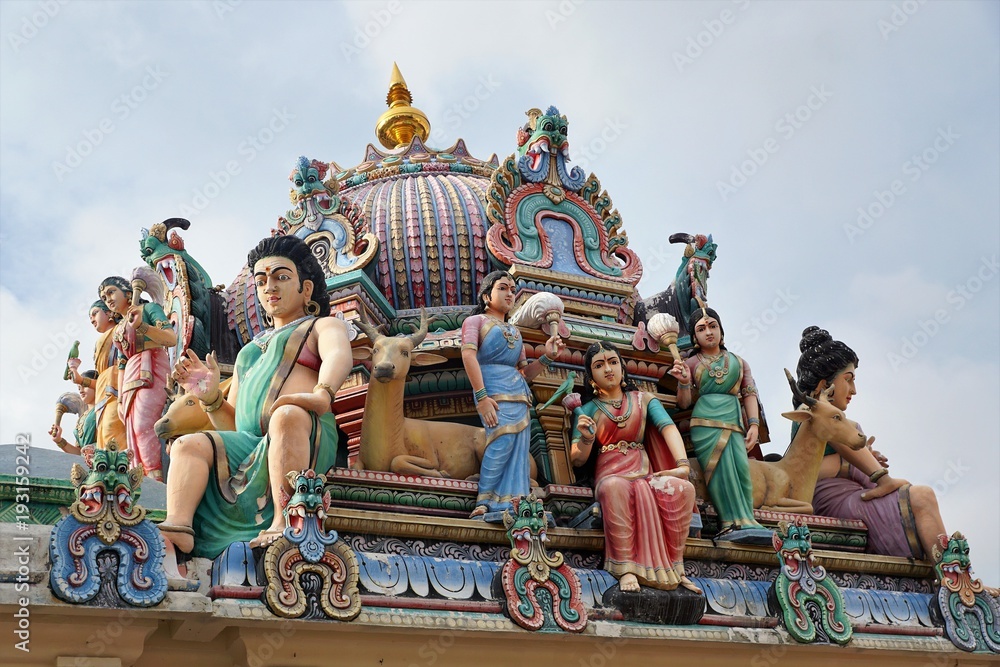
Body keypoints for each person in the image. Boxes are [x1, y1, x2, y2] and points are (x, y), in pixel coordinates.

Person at [159, 235, 353, 559]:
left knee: (286, 415)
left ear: (306, 289)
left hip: (303, 431)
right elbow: (235, 424)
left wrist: (323, 393)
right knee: (187, 444)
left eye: (281, 277)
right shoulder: (249, 351)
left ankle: (284, 520)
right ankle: (178, 529)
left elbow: (338, 355)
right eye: (261, 281)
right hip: (252, 443)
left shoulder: (321, 326)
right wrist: (210, 398)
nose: (269, 287)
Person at [794, 326, 946, 560]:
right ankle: (954, 579)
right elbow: (811, 471)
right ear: (825, 385)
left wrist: (864, 459)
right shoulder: (812, 414)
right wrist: (878, 475)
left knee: (919, 497)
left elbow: (839, 456)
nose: (854, 390)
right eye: (849, 379)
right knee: (921, 496)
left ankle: (950, 575)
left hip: (857, 493)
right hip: (835, 500)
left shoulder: (839, 421)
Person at [570, 341, 700, 593]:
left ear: (622, 368)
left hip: (646, 473)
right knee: (614, 488)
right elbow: (577, 459)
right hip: (611, 473)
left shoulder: (643, 400)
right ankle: (626, 568)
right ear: (591, 377)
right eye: (599, 365)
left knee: (682, 489)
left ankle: (676, 566)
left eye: (613, 362)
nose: (608, 369)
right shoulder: (587, 410)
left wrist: (683, 465)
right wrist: (586, 437)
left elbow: (668, 428)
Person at [461, 271, 565, 521]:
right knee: (500, 444)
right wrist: (482, 396)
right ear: (487, 295)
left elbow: (524, 372)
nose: (510, 293)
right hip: (492, 393)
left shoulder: (515, 331)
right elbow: (468, 356)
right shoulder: (475, 322)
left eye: (512, 289)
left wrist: (547, 356)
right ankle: (485, 500)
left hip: (519, 395)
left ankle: (515, 501)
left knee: (519, 451)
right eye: (503, 288)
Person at [671, 307, 769, 541]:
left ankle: (747, 519)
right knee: (719, 471)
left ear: (721, 331)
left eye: (713, 326)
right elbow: (683, 404)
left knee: (740, 470)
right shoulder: (691, 363)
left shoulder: (738, 361)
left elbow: (749, 394)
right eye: (701, 329)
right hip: (705, 424)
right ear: (695, 337)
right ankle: (728, 521)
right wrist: (684, 382)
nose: (709, 332)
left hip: (734, 422)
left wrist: (753, 424)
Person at [102, 275, 176, 479]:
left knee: (144, 425)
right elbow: (121, 363)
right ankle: (141, 478)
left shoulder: (148, 310)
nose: (107, 299)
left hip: (152, 365)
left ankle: (156, 478)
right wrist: (119, 399)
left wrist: (142, 327)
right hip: (130, 376)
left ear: (128, 293)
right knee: (132, 431)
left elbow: (170, 338)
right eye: (104, 296)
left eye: (111, 292)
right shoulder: (118, 328)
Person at [66, 300, 126, 450]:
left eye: (95, 313)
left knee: (112, 432)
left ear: (110, 313)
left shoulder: (121, 330)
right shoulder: (101, 341)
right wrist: (79, 379)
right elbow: (100, 381)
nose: (92, 319)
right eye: (90, 317)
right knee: (104, 438)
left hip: (119, 388)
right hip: (104, 393)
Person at [49, 370, 99, 456]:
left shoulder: (104, 410)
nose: (81, 391)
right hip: (88, 463)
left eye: (85, 386)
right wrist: (59, 440)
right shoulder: (81, 419)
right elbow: (79, 454)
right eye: (79, 388)